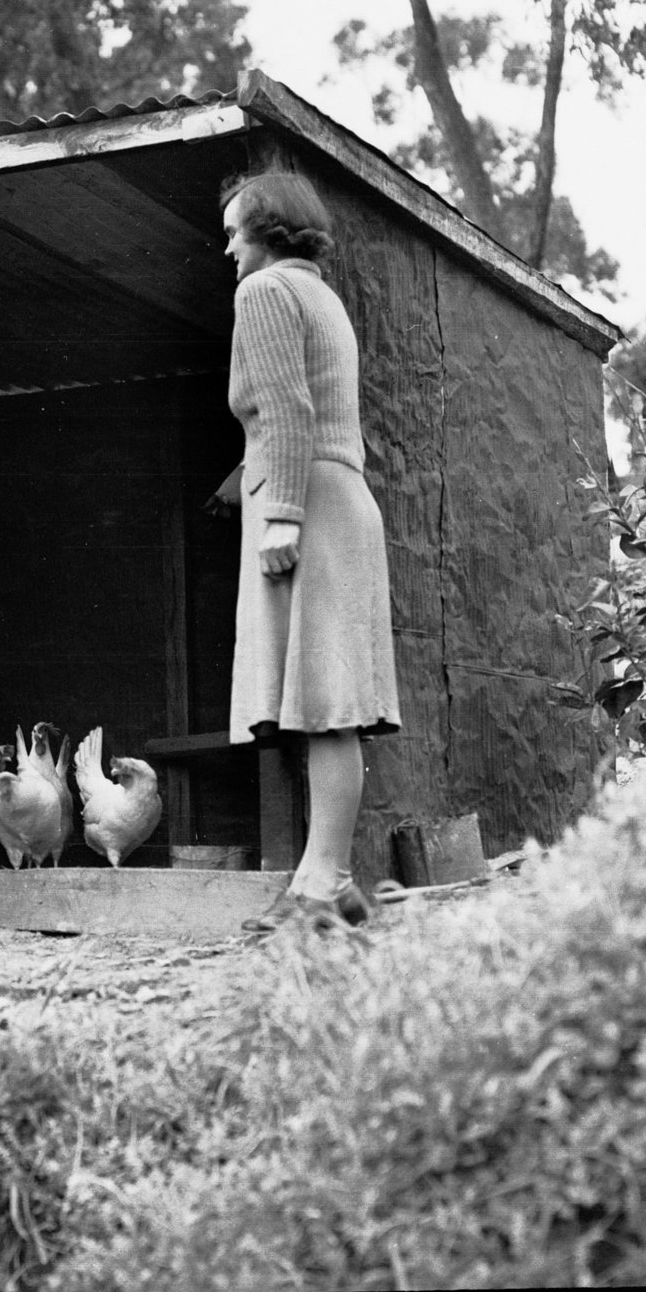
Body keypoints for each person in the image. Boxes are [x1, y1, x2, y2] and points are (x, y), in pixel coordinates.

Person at [217, 170, 400, 932]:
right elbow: (302, 413)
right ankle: (332, 880)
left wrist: (282, 513)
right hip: (339, 496)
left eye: (234, 231)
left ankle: (322, 885)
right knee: (329, 703)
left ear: (267, 231)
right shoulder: (320, 295)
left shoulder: (263, 293)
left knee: (324, 706)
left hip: (308, 504)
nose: (227, 247)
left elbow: (287, 409)